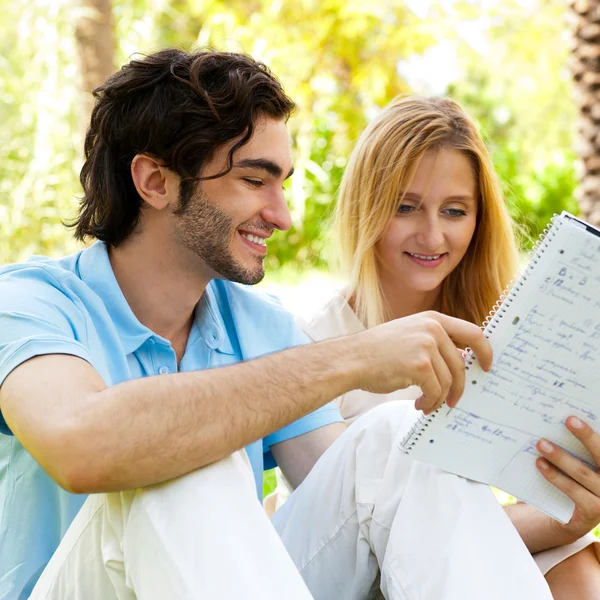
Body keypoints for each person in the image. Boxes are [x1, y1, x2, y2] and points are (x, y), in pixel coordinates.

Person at [0, 50, 554, 600]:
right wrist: (355, 358)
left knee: (388, 441)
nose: (282, 214)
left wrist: (566, 515)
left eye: (281, 183)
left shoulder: (260, 327)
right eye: (253, 180)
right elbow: (77, 443)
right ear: (156, 181)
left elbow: (365, 507)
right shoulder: (29, 303)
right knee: (185, 457)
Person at [295, 95, 600, 599]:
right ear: (367, 206)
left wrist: (573, 507)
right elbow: (384, 544)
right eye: (406, 207)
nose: (432, 234)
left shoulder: (504, 334)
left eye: (454, 211)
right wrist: (557, 524)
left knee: (576, 564)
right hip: (349, 578)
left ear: (479, 219)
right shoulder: (321, 346)